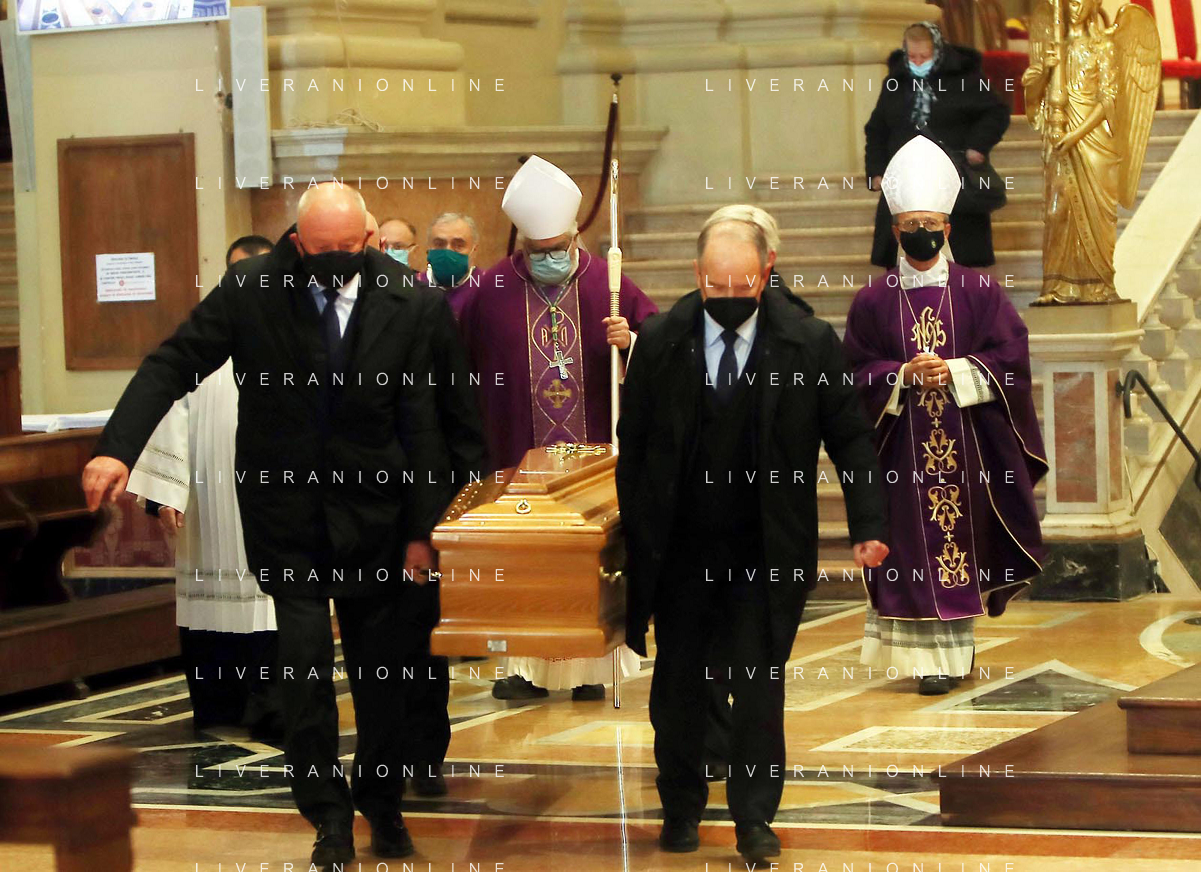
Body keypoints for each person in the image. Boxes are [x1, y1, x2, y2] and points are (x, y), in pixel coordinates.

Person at [81, 182, 486, 870]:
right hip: (288, 517)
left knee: (384, 679)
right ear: (298, 243)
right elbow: (173, 362)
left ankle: (382, 803)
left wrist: (434, 529)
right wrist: (116, 448)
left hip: (383, 521)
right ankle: (327, 816)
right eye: (322, 251)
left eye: (350, 247)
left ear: (368, 239)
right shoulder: (253, 290)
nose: (338, 259)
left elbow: (448, 424)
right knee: (303, 676)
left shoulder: (412, 303)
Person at [615, 215, 889, 863]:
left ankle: (754, 819)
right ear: (696, 276)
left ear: (766, 274)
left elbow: (850, 439)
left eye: (743, 286)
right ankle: (680, 805)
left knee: (759, 688)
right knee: (679, 685)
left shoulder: (807, 342)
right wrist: (637, 536)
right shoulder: (660, 341)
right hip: (681, 551)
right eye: (717, 287)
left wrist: (868, 525)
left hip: (766, 548)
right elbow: (635, 448)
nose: (730, 298)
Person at [842, 135, 1046, 695]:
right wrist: (901, 376)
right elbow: (853, 371)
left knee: (962, 546)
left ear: (948, 228)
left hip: (969, 449)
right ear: (895, 231)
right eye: (910, 225)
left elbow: (1012, 358)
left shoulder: (980, 291)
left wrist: (956, 370)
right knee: (910, 548)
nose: (921, 233)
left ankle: (955, 650)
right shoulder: (873, 300)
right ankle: (928, 659)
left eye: (930, 224)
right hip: (901, 451)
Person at [458, 154, 657, 702]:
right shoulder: (491, 289)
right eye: (537, 251)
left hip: (592, 462)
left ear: (575, 236)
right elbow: (454, 360)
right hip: (518, 457)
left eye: (558, 248)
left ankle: (593, 667)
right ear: (521, 244)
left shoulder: (608, 285)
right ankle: (523, 667)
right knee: (525, 562)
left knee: (591, 557)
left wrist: (630, 343)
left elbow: (664, 348)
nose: (549, 258)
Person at [127, 234, 282, 743]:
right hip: (209, 505)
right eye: (237, 275)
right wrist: (166, 490)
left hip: (277, 504)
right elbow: (171, 408)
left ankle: (271, 709)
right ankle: (218, 704)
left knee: (271, 603)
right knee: (211, 598)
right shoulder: (203, 341)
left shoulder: (293, 337)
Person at [864, 21, 1010, 268]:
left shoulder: (964, 77)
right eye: (912, 57)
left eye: (924, 57)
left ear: (938, 51)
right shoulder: (896, 81)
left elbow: (995, 112)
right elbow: (877, 130)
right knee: (903, 250)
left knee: (958, 254)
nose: (918, 62)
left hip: (951, 174)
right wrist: (876, 171)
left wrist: (977, 145)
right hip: (906, 177)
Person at [417, 212, 484, 321]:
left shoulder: (488, 288)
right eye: (439, 244)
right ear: (428, 249)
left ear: (474, 251)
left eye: (458, 245)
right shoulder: (413, 286)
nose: (447, 251)